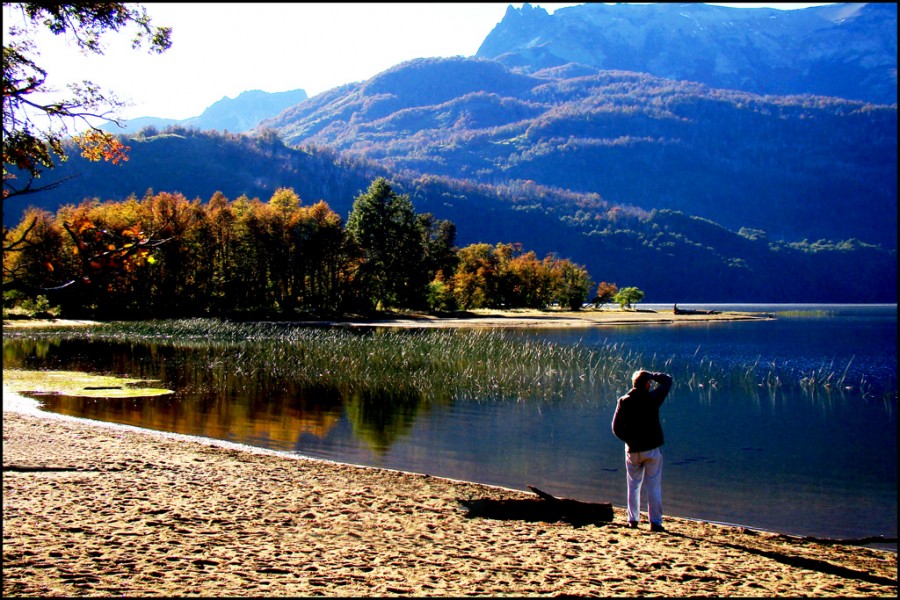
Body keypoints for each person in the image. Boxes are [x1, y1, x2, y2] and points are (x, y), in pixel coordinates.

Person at [611, 369, 673, 531]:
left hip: (632, 450)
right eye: (649, 382)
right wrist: (652, 374)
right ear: (647, 384)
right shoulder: (652, 398)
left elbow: (616, 428)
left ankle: (633, 520)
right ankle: (655, 522)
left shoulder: (624, 401)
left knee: (633, 485)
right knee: (653, 486)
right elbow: (667, 380)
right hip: (651, 449)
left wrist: (629, 440)